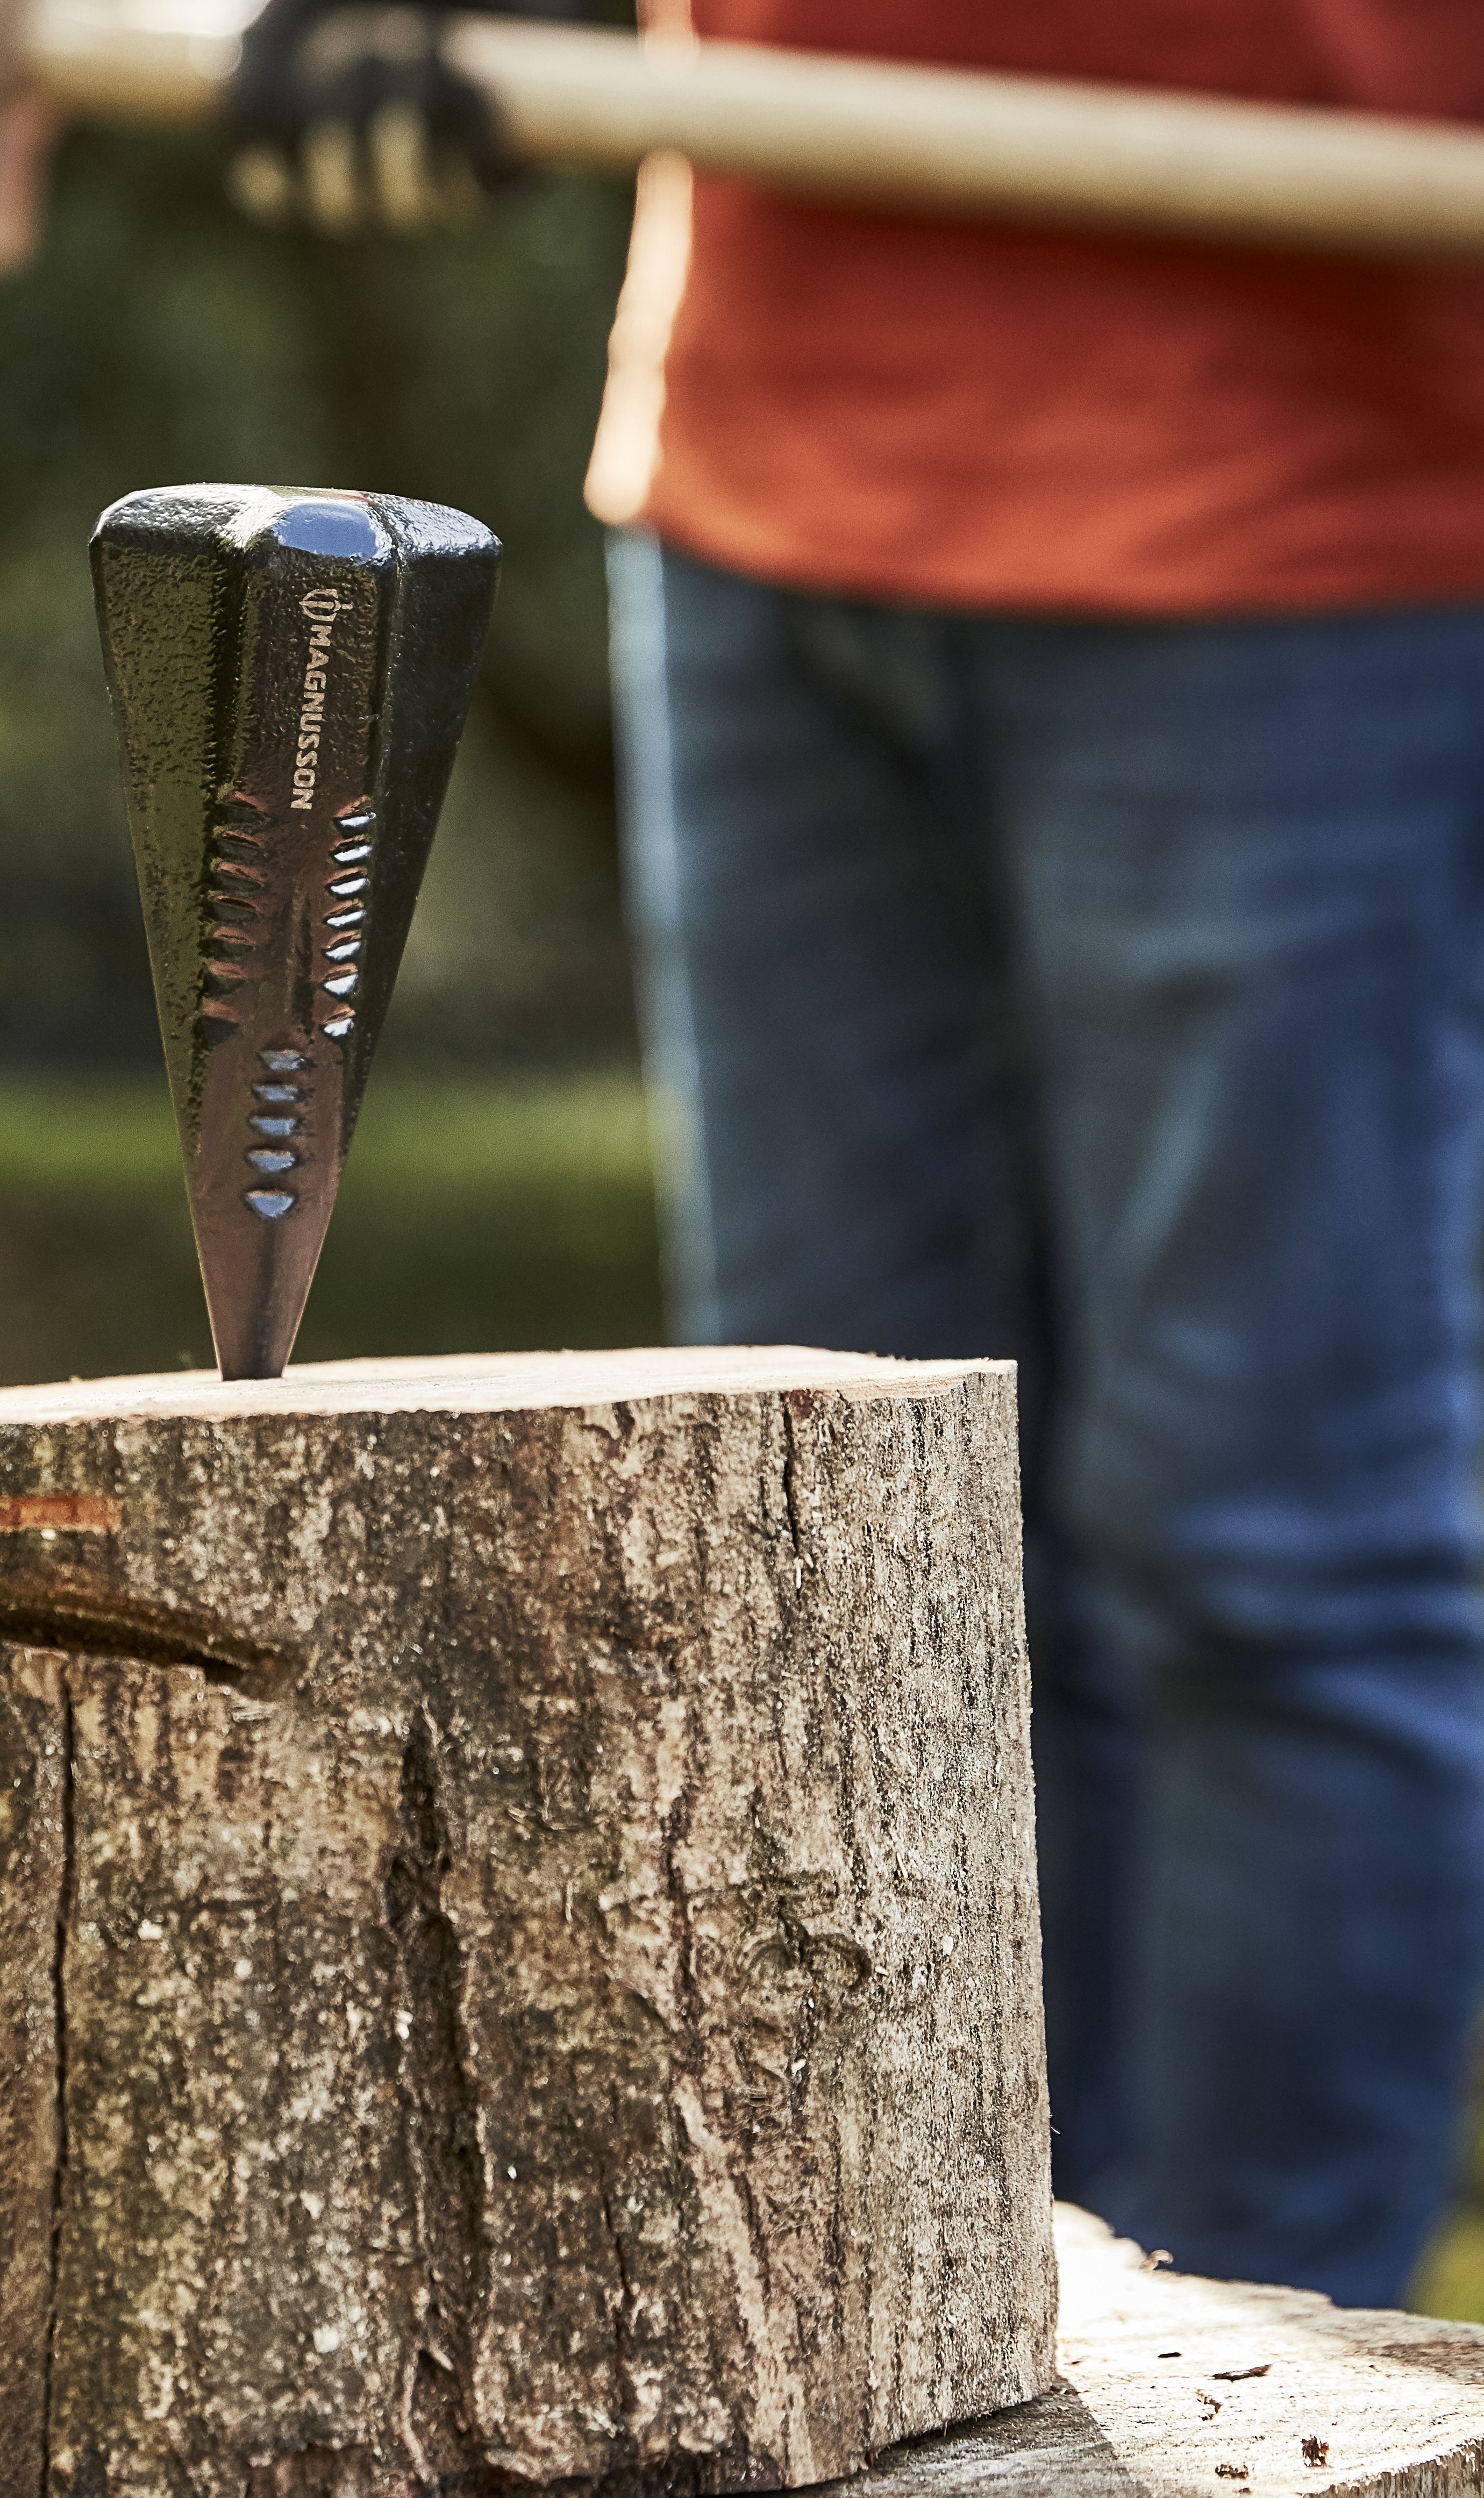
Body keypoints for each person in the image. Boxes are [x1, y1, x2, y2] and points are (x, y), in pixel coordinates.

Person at [242, 0, 1484, 2308]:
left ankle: (1270, 2433)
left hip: (1310, 470)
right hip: (764, 429)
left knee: (1260, 1554)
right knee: (834, 1541)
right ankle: (929, 2361)